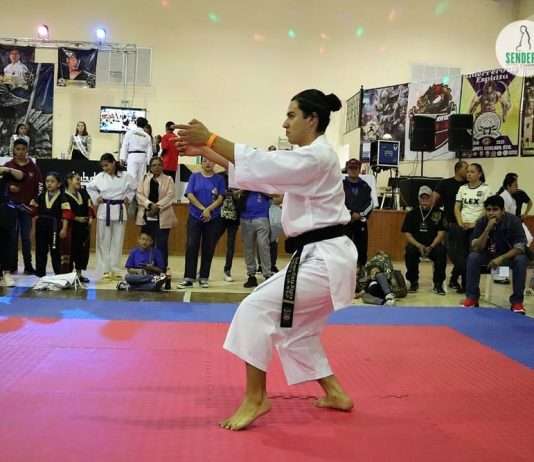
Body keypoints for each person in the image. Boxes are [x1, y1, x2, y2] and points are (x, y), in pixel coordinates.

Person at [176, 88, 357, 431]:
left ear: (312, 119)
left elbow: (265, 164)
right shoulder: (310, 158)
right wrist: (208, 152)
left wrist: (211, 138)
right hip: (324, 257)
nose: (285, 123)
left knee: (254, 308)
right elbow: (265, 175)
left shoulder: (317, 156)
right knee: (297, 330)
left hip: (324, 259)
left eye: (291, 115)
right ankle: (335, 393)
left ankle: (256, 397)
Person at [463, 195, 529, 315]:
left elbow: (520, 247)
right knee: (473, 257)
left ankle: (517, 302)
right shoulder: (482, 221)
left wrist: (501, 258)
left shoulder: (514, 221)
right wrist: (487, 229)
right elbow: (476, 247)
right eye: (488, 210)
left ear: (503, 210)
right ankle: (472, 298)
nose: (491, 213)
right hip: (487, 255)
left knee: (521, 259)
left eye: (495, 209)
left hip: (508, 256)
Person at [86, 153, 137, 280]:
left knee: (117, 241)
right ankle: (104, 269)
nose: (105, 168)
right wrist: (96, 197)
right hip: (104, 210)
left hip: (119, 210)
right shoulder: (100, 177)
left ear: (113, 162)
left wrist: (128, 197)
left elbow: (134, 188)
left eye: (107, 165)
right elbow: (89, 187)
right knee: (103, 241)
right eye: (103, 166)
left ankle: (115, 268)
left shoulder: (126, 176)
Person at [178, 157, 225, 289]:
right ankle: (189, 277)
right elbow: (190, 194)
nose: (208, 163)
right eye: (205, 161)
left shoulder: (219, 179)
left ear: (214, 163)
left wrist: (209, 210)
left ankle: (204, 277)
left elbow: (221, 197)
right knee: (191, 245)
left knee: (208, 247)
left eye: (210, 161)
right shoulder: (194, 176)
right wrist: (203, 209)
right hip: (195, 216)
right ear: (201, 163)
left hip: (213, 217)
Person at [5, 138, 42, 274]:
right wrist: (9, 188)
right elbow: (2, 184)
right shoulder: (8, 166)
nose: (20, 152)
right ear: (14, 150)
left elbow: (40, 186)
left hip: (26, 208)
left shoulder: (33, 167)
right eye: (18, 149)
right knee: (12, 237)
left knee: (26, 238)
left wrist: (35, 199)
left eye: (23, 149)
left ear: (27, 150)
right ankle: (12, 265)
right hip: (11, 207)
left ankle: (28, 266)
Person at [401, 186, 447, 294]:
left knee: (441, 251)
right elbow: (407, 233)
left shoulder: (439, 213)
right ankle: (413, 282)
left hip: (433, 245)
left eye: (427, 198)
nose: (425, 200)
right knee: (410, 251)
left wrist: (431, 246)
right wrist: (419, 245)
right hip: (417, 245)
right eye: (422, 198)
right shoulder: (412, 214)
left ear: (432, 198)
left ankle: (438, 284)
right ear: (418, 198)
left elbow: (441, 232)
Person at [454, 163, 491, 293]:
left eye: (472, 172)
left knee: (473, 257)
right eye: (468, 171)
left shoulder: (486, 189)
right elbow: (457, 208)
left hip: (477, 227)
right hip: (463, 226)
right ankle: (465, 285)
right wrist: (460, 223)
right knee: (462, 258)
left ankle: (474, 287)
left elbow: (486, 210)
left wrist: (475, 224)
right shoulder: (462, 188)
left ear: (479, 174)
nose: (469, 174)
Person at [136, 156, 177, 272]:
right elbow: (139, 194)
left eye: (159, 165)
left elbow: (170, 196)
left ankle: (162, 270)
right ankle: (145, 268)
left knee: (161, 245)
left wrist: (157, 207)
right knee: (146, 244)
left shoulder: (168, 179)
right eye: (154, 165)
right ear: (150, 167)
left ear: (162, 166)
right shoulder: (144, 179)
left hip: (163, 217)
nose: (157, 167)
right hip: (147, 217)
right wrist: (149, 205)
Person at [432, 160, 468, 290]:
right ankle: (456, 279)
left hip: (467, 223)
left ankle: (455, 279)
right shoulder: (445, 183)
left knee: (464, 253)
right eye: (466, 169)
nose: (468, 172)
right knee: (453, 253)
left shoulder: (468, 185)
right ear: (458, 169)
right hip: (451, 222)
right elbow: (434, 199)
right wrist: (438, 217)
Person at [30, 172, 72, 278]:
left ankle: (58, 274)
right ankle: (40, 273)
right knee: (40, 249)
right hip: (41, 225)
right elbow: (34, 212)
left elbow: (66, 214)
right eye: (47, 181)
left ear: (59, 184)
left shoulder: (63, 197)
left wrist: (64, 229)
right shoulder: (41, 196)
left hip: (55, 226)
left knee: (55, 250)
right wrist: (33, 228)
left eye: (52, 181)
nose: (49, 184)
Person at [62, 172, 94, 283]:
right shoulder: (63, 195)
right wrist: (76, 218)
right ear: (69, 180)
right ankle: (69, 276)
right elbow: (64, 211)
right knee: (71, 250)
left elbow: (90, 205)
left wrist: (90, 217)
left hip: (83, 228)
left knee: (82, 252)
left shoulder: (83, 193)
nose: (79, 182)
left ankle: (79, 274)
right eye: (77, 179)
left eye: (80, 180)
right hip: (71, 228)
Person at [343, 158, 373, 271]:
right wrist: (350, 213)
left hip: (360, 221)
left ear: (359, 169)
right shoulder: (340, 185)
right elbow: (337, 202)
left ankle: (361, 269)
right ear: (347, 169)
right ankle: (344, 270)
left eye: (355, 168)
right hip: (345, 221)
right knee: (344, 247)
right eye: (351, 168)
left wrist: (360, 214)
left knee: (361, 248)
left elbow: (370, 204)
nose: (353, 170)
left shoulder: (365, 186)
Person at [239, 190, 273, 288]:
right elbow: (235, 194)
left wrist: (259, 188)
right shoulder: (244, 183)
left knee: (263, 245)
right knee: (248, 248)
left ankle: (267, 274)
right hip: (245, 218)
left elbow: (275, 195)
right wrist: (242, 191)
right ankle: (251, 275)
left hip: (262, 217)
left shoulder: (264, 184)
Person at [0, 164, 24, 287]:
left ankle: (6, 273)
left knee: (6, 242)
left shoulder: (3, 171)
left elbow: (21, 176)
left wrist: (8, 169)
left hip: (3, 210)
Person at [218, 172, 241, 282]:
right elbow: (216, 192)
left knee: (230, 245)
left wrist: (238, 193)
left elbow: (241, 195)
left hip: (234, 217)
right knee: (211, 242)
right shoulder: (220, 176)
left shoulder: (239, 177)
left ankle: (227, 270)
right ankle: (203, 270)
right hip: (220, 216)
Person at [119, 117, 153, 186]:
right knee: (141, 178)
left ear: (136, 123)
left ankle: (132, 192)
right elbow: (149, 150)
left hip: (132, 156)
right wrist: (149, 162)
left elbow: (125, 146)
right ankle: (140, 192)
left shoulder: (129, 133)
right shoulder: (147, 136)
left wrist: (123, 158)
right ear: (145, 125)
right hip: (143, 157)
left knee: (131, 177)